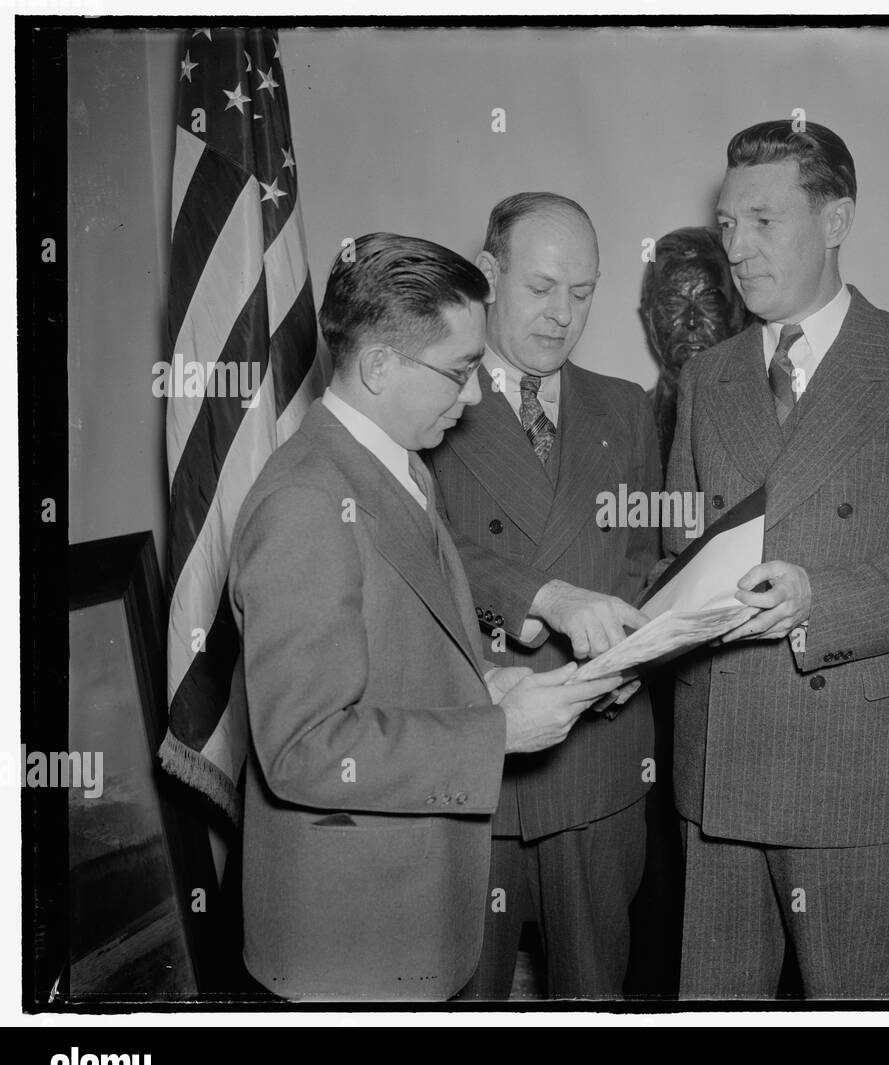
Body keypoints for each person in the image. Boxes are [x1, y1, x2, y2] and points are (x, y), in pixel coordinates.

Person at [229, 232, 621, 1001]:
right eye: (461, 370)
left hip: (407, 897)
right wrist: (499, 732)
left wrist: (489, 681)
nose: (474, 396)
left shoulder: (395, 461)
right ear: (378, 367)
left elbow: (404, 644)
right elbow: (304, 748)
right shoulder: (307, 502)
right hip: (351, 934)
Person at [663, 121, 889, 998]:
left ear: (838, 218)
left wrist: (820, 599)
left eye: (765, 222)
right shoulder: (707, 375)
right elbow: (678, 546)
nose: (736, 248)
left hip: (849, 749)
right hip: (721, 752)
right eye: (729, 224)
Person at [430, 192, 661, 999]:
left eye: (583, 291)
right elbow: (426, 559)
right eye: (541, 288)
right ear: (489, 276)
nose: (563, 315)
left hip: (598, 759)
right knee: (466, 992)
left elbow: (645, 557)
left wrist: (636, 650)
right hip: (478, 758)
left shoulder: (627, 407)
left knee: (596, 988)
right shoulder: (435, 400)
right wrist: (544, 597)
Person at [639, 225, 752, 469]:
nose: (691, 320)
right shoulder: (621, 426)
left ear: (739, 311)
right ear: (647, 315)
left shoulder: (768, 423)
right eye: (672, 303)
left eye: (709, 301)